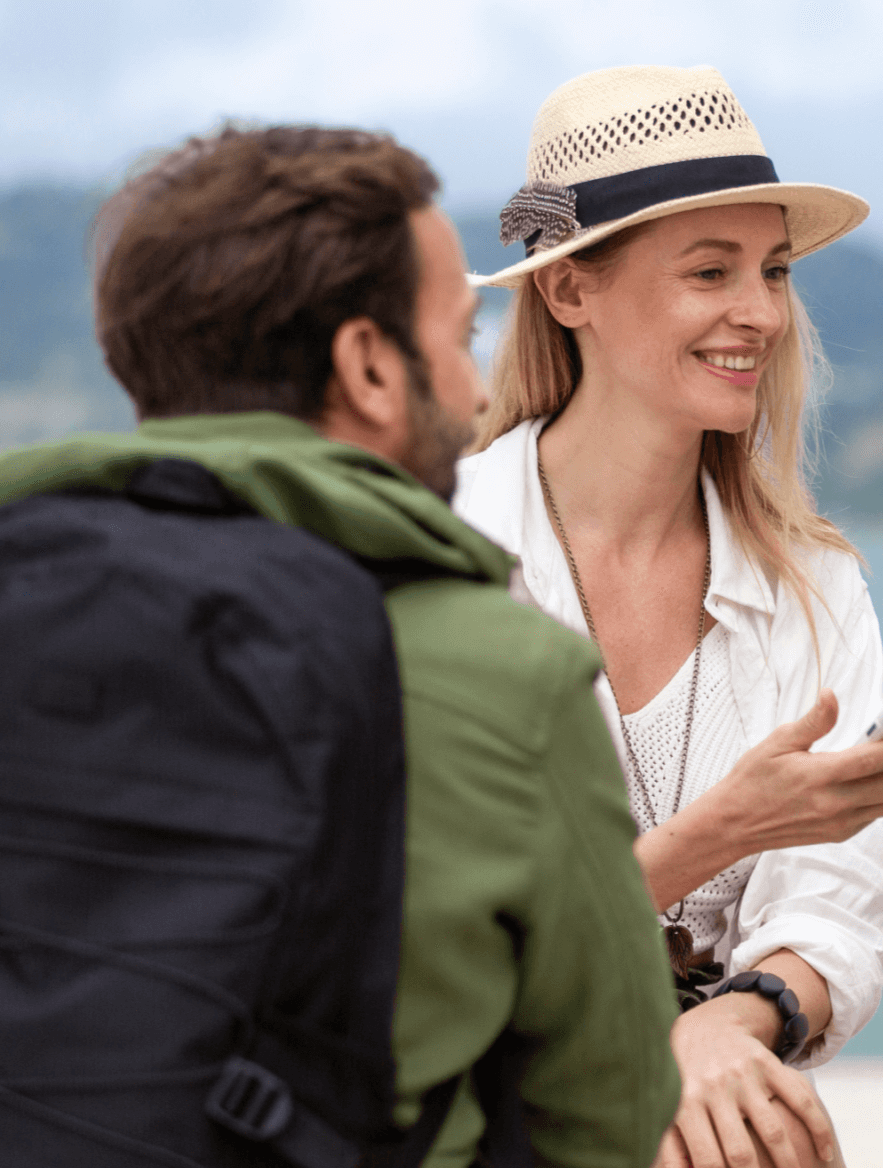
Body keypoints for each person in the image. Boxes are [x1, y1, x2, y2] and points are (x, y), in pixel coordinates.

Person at [0, 127, 678, 1165]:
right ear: (367, 364)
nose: (480, 391)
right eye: (460, 338)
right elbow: (608, 1110)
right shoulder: (506, 674)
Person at [454, 66, 883, 1168]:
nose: (762, 313)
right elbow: (442, 936)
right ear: (571, 291)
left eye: (772, 271)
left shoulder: (814, 586)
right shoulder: (443, 550)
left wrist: (733, 1019)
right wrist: (728, 828)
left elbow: (836, 915)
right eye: (710, 271)